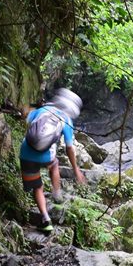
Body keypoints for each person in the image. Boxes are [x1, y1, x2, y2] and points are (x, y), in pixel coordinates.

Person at [20, 88, 86, 232]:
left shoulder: (42, 110)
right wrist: (76, 170)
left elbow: (26, 117)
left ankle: (46, 219)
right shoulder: (66, 120)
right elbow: (69, 148)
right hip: (46, 156)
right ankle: (56, 193)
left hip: (27, 154)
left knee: (37, 187)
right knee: (54, 163)